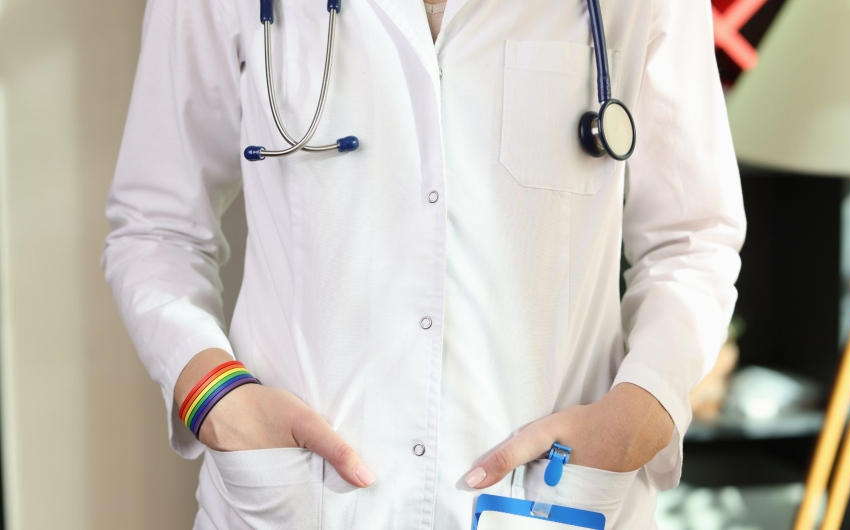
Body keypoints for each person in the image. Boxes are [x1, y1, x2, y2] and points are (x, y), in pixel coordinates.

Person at [102, 0, 746, 527]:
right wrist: (214, 398)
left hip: (554, 502)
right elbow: (155, 227)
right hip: (301, 504)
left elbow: (693, 236)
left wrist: (643, 410)